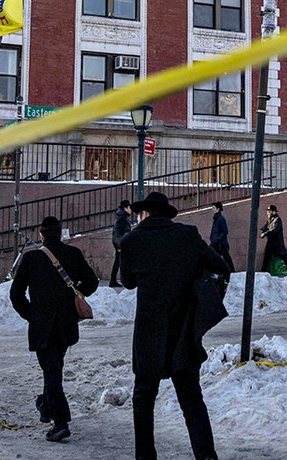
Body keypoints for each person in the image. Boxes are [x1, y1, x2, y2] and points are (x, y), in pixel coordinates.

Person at [121, 191, 229, 460]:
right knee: (191, 399)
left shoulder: (131, 240)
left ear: (143, 213)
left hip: (148, 333)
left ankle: (145, 456)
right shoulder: (187, 235)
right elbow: (220, 266)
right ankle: (206, 456)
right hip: (183, 331)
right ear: (166, 213)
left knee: (143, 398)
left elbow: (128, 281)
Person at [9, 216, 100, 443]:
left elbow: (16, 294)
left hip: (42, 325)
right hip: (66, 325)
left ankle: (60, 422)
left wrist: (31, 314)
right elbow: (92, 283)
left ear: (41, 236)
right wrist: (74, 294)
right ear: (61, 234)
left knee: (52, 371)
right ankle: (46, 405)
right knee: (54, 368)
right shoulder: (74, 254)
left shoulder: (31, 258)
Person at [259, 204, 287, 273]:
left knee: (283, 258)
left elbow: (274, 230)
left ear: (273, 212)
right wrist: (262, 230)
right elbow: (266, 227)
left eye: (269, 211)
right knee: (266, 257)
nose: (268, 213)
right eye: (267, 212)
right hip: (271, 243)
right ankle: (263, 272)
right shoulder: (270, 220)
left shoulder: (277, 220)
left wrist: (265, 233)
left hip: (277, 244)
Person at [111, 200, 132, 287]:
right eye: (129, 207)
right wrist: (119, 246)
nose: (130, 210)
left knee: (118, 263)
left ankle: (113, 281)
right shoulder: (122, 218)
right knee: (121, 263)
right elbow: (118, 233)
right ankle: (119, 281)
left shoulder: (122, 217)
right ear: (125, 208)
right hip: (121, 245)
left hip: (121, 245)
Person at [209, 202, 234, 271]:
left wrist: (217, 239)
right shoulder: (216, 219)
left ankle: (232, 272)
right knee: (215, 258)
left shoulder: (221, 219)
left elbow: (225, 231)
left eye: (214, 208)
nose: (212, 209)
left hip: (221, 244)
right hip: (215, 244)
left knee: (226, 259)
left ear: (218, 209)